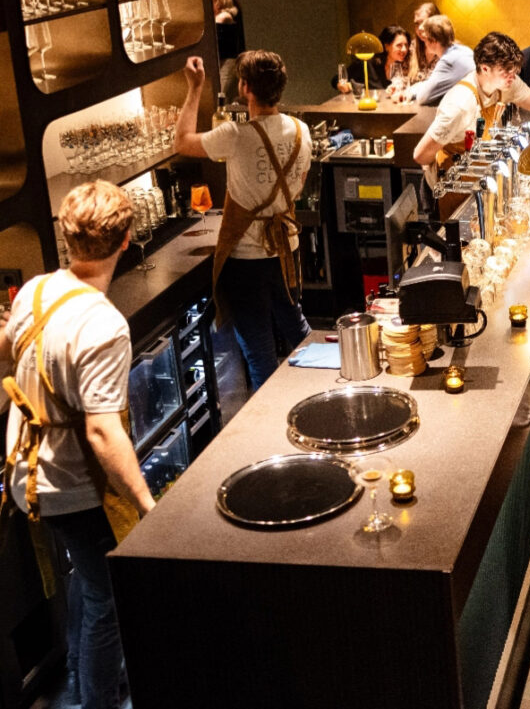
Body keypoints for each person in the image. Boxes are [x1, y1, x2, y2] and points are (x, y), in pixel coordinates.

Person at [0, 180, 156, 709]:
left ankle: (79, 671)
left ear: (66, 237)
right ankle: (97, 700)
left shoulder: (36, 290)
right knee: (107, 598)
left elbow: (8, 347)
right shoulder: (104, 325)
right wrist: (147, 504)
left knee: (86, 580)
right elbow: (101, 431)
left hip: (26, 472)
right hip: (71, 483)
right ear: (127, 240)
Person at [174, 51, 312, 390]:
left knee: (260, 353)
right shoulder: (301, 130)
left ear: (245, 87)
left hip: (247, 260)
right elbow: (300, 183)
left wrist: (195, 87)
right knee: (297, 332)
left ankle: (271, 415)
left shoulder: (234, 135)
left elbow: (181, 142)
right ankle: (320, 392)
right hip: (286, 248)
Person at [412, 32, 530, 186]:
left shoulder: (506, 83)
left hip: (476, 174)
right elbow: (420, 155)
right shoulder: (460, 104)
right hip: (448, 183)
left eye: (514, 71)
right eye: (506, 72)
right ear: (485, 68)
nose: (512, 77)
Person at [402, 14, 475, 106]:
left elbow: (422, 98)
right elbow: (432, 84)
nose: (425, 43)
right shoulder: (465, 50)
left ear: (433, 41)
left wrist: (411, 91)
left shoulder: (447, 61)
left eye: (425, 39)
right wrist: (414, 89)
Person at [331, 25, 411, 94]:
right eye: (399, 45)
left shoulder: (406, 65)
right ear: (386, 46)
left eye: (406, 45)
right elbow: (336, 79)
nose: (404, 49)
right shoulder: (367, 63)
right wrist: (342, 85)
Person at [212, 0, 244, 102]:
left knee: (222, 94)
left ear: (218, 0)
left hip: (228, 62)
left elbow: (215, 25)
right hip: (221, 61)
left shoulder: (225, 16)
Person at [408, 1, 440, 82]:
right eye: (416, 24)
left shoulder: (447, 48)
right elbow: (402, 75)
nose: (419, 28)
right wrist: (397, 85)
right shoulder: (412, 46)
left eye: (423, 22)